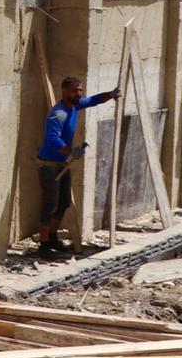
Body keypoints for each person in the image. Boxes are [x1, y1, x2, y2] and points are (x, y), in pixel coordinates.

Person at [34, 76, 121, 255]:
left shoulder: (74, 106)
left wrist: (110, 94)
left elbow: (93, 100)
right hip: (49, 167)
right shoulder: (58, 114)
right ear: (64, 91)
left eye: (80, 90)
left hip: (61, 164)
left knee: (64, 202)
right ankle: (43, 246)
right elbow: (52, 140)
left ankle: (51, 237)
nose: (79, 94)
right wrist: (71, 151)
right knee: (49, 206)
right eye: (75, 90)